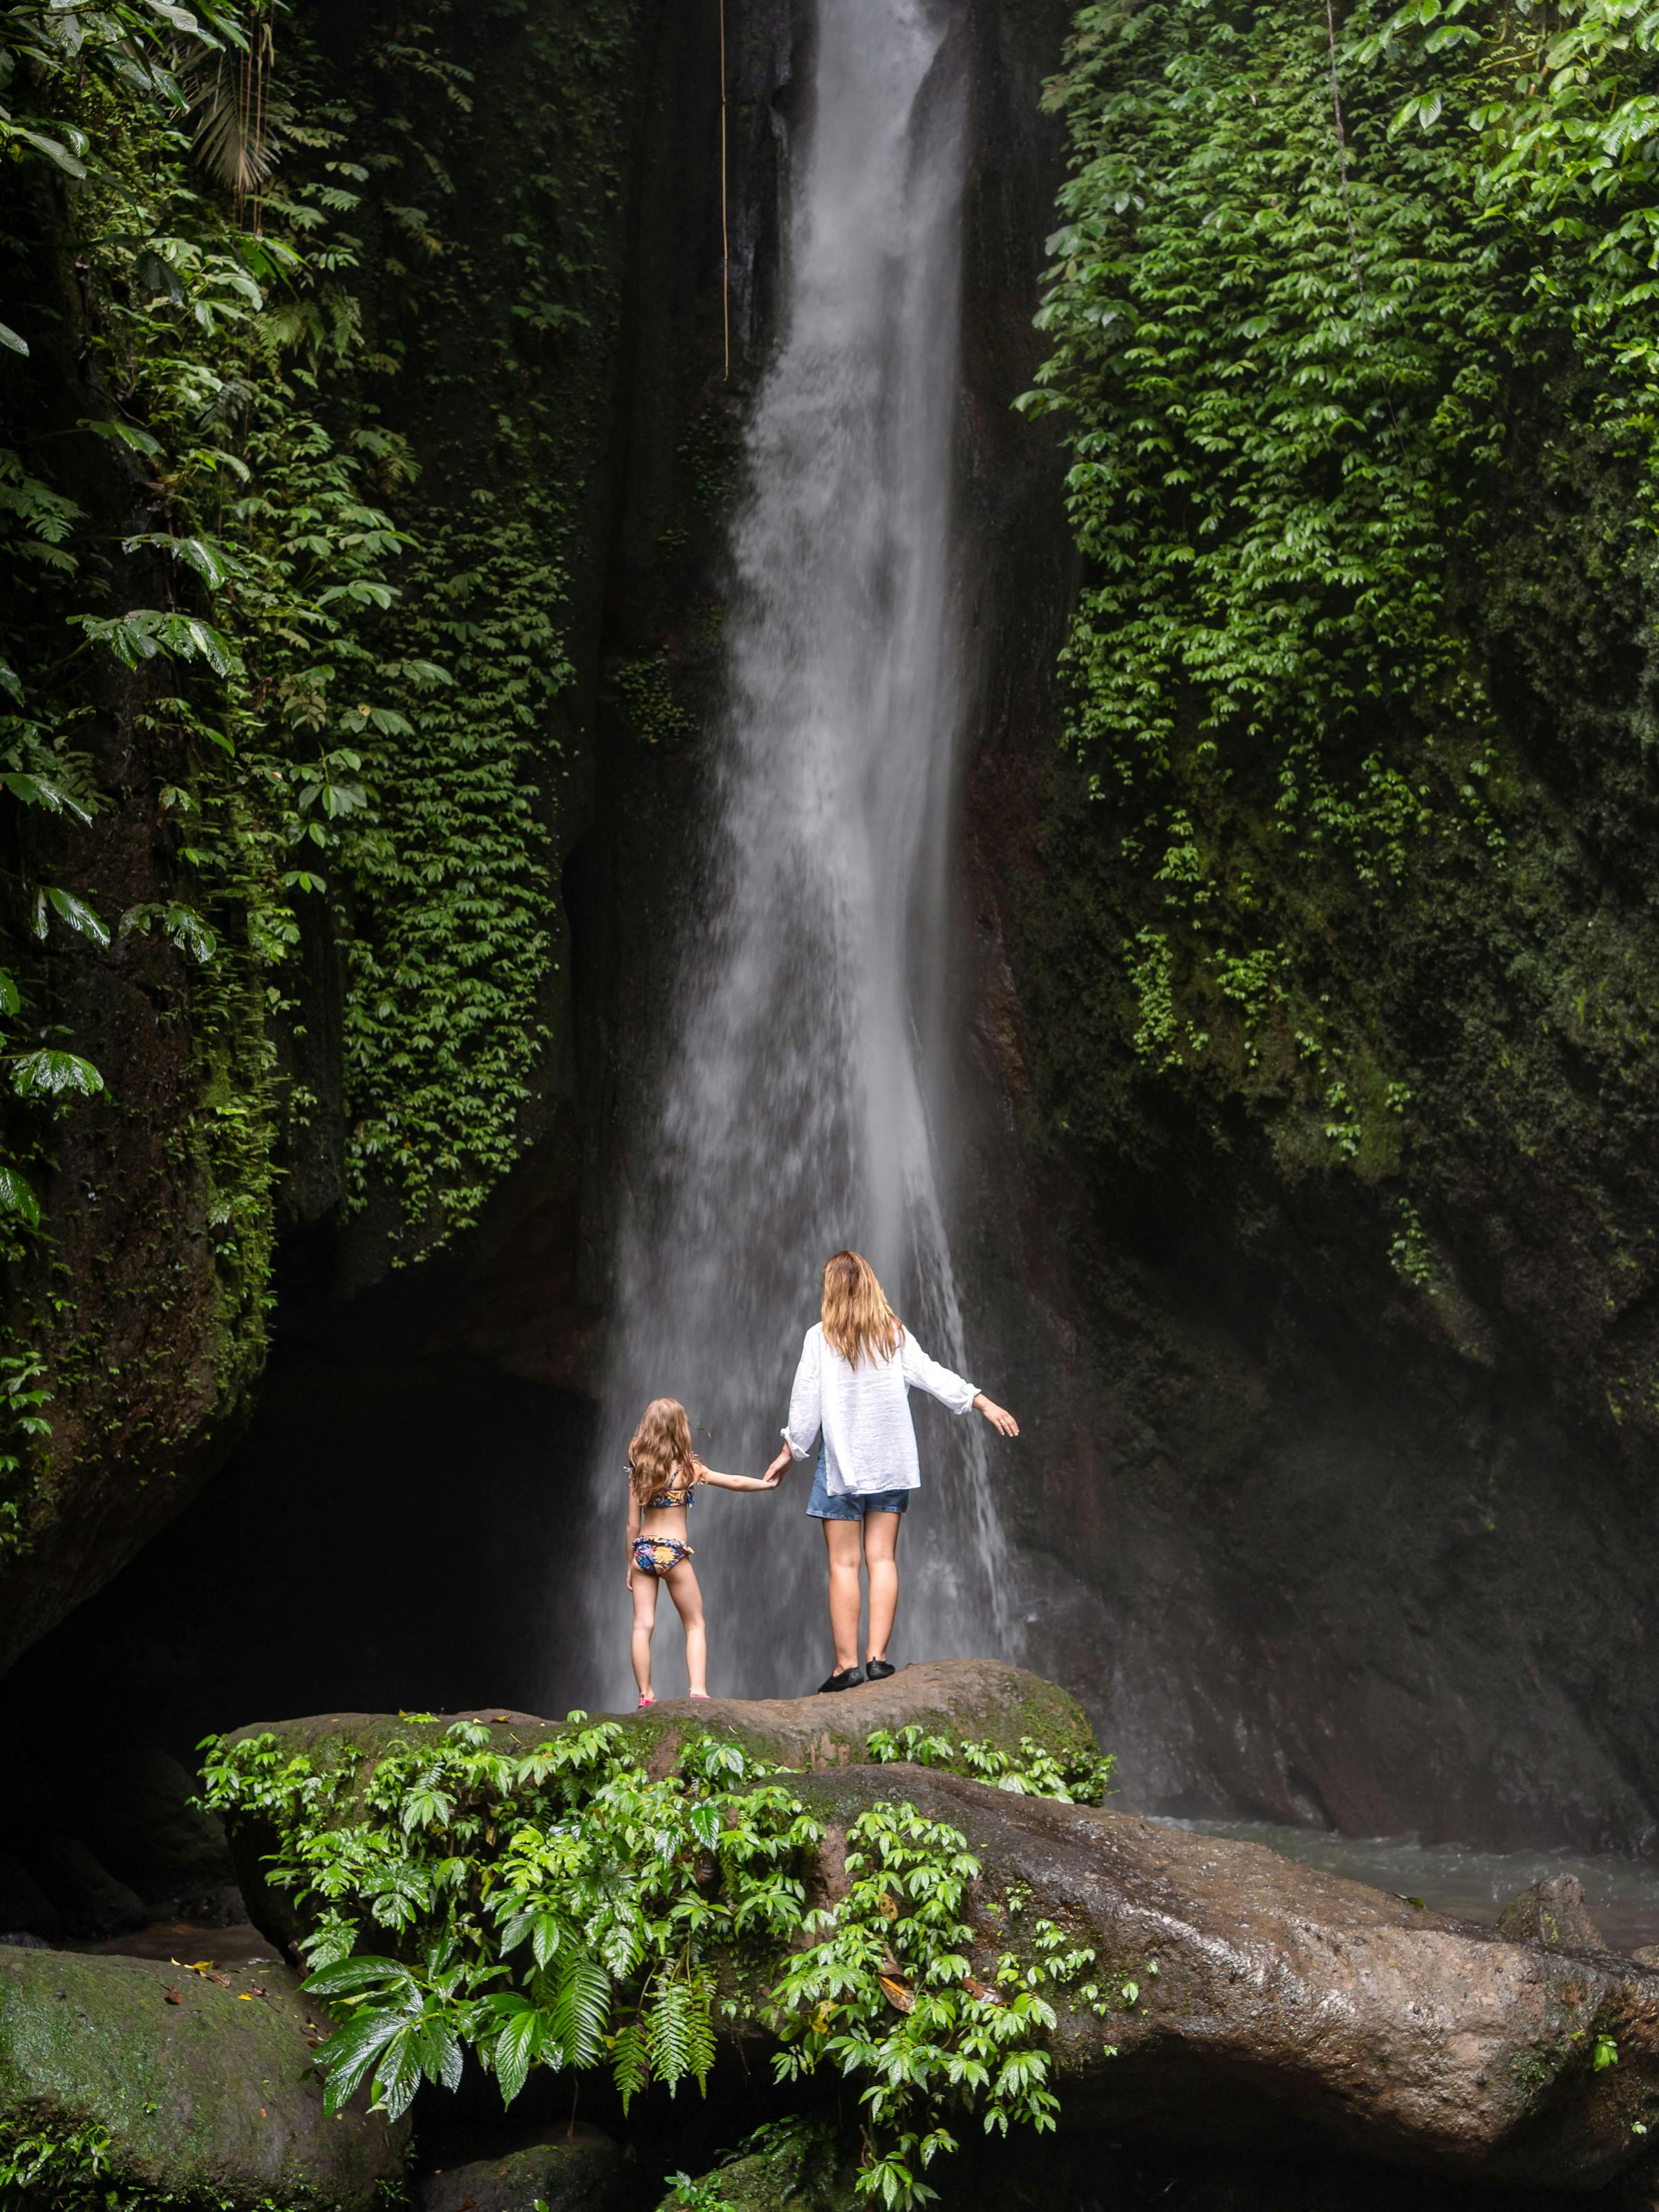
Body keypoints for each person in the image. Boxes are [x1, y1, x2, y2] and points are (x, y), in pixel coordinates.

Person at [763, 1250, 1019, 1693]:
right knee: (882, 1559)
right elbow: (933, 1376)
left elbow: (805, 1404)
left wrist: (792, 1450)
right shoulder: (893, 1335)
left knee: (845, 1563)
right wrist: (982, 1402)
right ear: (870, 1286)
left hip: (842, 1464)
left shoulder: (820, 1338)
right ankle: (877, 1659)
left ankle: (847, 1668)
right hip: (892, 1464)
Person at [626, 1395, 780, 1707]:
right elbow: (734, 1481)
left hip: (642, 1552)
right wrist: (767, 1485)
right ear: (679, 1430)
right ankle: (697, 1691)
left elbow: (632, 1524)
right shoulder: (687, 1469)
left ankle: (646, 1695)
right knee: (695, 1623)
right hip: (673, 1553)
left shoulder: (638, 1470)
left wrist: (630, 1563)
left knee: (642, 1625)